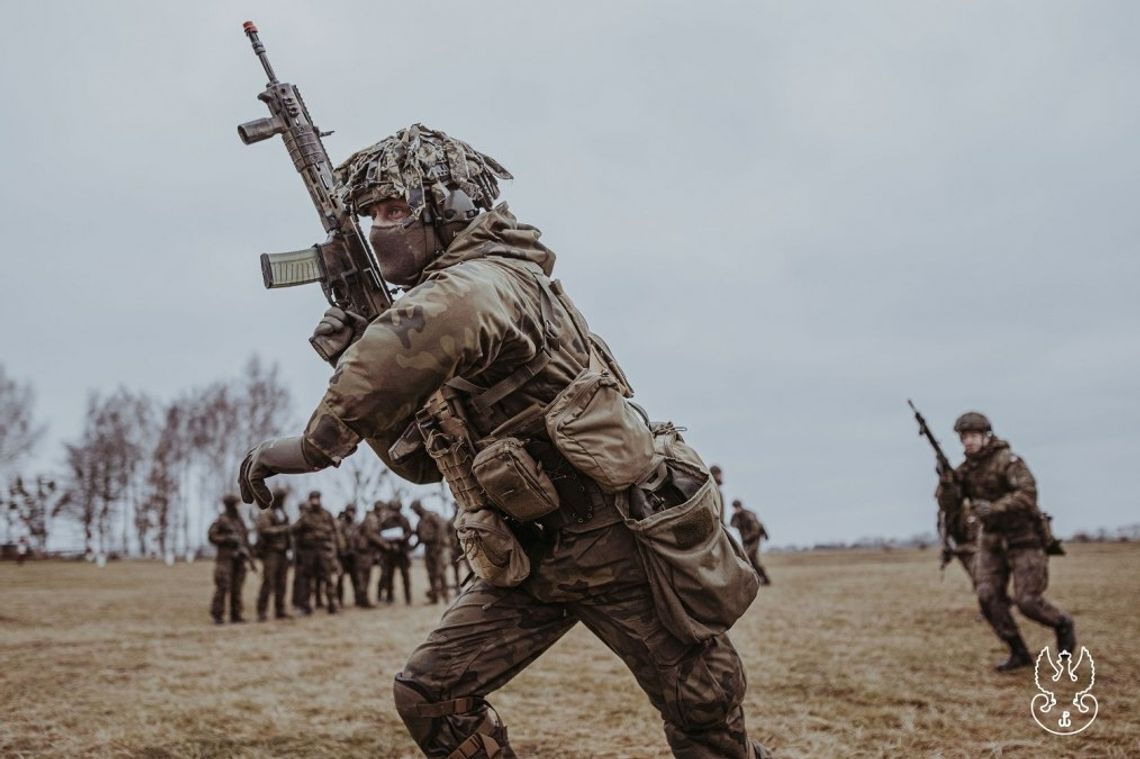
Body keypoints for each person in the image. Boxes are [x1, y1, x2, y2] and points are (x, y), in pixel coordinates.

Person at [239, 124, 766, 757]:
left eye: (396, 208)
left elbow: (431, 323)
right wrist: (352, 350)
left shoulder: (495, 279)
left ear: (450, 207)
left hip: (615, 546)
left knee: (703, 710)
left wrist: (311, 445)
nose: (381, 227)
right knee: (430, 694)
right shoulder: (445, 310)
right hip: (527, 558)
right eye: (372, 212)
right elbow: (419, 462)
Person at [936, 411, 1076, 671]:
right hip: (991, 540)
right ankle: (1019, 653)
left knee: (1028, 601)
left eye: (974, 435)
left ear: (986, 435)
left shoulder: (1008, 461)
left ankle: (1062, 624)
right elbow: (950, 506)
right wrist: (946, 484)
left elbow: (1027, 495)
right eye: (964, 437)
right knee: (987, 596)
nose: (968, 441)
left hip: (1025, 538)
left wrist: (994, 508)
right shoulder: (964, 471)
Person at [291, 490, 340, 615]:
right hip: (309, 552)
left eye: (317, 498)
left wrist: (335, 549)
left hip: (324, 551)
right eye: (313, 498)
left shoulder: (326, 514)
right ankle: (305, 606)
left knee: (328, 579)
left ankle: (332, 605)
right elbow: (295, 530)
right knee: (306, 580)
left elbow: (334, 532)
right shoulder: (305, 515)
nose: (315, 501)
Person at [207, 493, 253, 624]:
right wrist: (227, 539)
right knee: (222, 586)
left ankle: (236, 614)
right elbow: (212, 536)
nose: (240, 507)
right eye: (237, 504)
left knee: (237, 587)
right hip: (225, 559)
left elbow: (245, 539)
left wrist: (249, 552)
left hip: (239, 559)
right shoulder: (221, 520)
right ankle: (218, 615)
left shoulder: (240, 521)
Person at [255, 487, 292, 621]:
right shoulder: (267, 514)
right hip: (271, 553)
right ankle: (262, 611)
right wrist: (282, 529)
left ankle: (280, 610)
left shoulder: (283, 513)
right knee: (268, 582)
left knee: (282, 583)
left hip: (283, 553)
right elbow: (264, 530)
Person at [410, 500, 450, 604]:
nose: (414, 513)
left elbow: (441, 529)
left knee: (440, 572)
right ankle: (434, 597)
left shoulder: (431, 516)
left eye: (414, 510)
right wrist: (412, 548)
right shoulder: (420, 522)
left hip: (436, 548)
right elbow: (420, 538)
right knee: (431, 573)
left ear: (419, 508)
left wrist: (439, 545)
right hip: (428, 548)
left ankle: (445, 596)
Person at [377, 499, 413, 605]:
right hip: (390, 553)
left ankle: (408, 598)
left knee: (405, 575)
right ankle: (389, 597)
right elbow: (381, 534)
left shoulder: (404, 520)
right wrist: (390, 542)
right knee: (389, 576)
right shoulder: (386, 521)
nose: (395, 512)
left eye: (397, 510)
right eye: (393, 510)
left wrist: (404, 537)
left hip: (402, 552)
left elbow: (409, 532)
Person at [730, 499, 771, 586]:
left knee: (749, 557)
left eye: (737, 507)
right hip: (745, 540)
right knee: (752, 560)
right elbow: (732, 524)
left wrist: (765, 534)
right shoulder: (736, 516)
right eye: (735, 508)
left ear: (741, 506)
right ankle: (762, 579)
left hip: (754, 539)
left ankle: (761, 579)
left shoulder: (749, 515)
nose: (736, 509)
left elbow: (757, 528)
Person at [336, 504, 358, 607]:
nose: (351, 513)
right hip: (342, 556)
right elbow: (338, 539)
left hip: (353, 556)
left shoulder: (355, 525)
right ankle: (340, 601)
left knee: (356, 578)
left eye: (353, 511)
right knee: (340, 579)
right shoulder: (341, 524)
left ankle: (358, 599)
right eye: (350, 511)